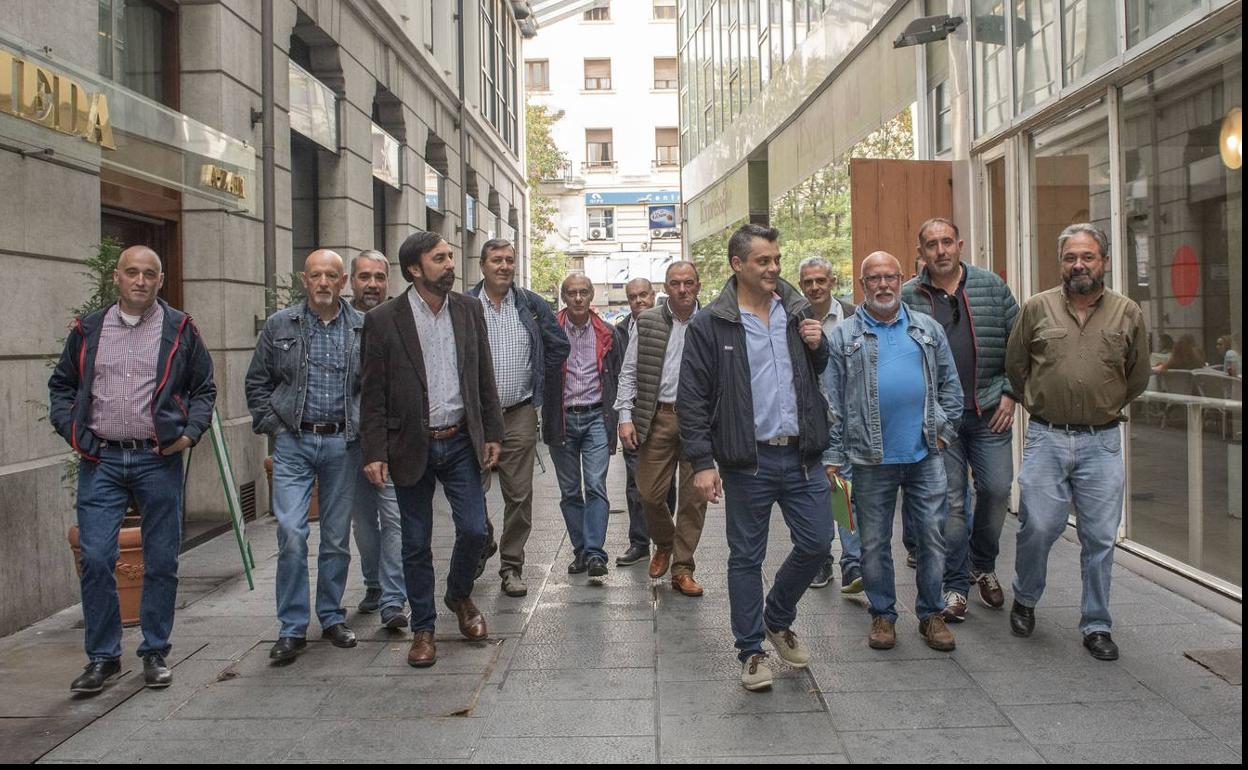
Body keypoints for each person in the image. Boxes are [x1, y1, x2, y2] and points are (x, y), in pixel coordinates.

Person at [49, 246, 216, 693]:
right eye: (132, 273)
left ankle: (155, 650)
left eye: (150, 274)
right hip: (100, 458)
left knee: (161, 559)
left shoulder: (180, 328)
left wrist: (189, 433)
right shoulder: (89, 329)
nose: (140, 281)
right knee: (97, 557)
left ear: (161, 281)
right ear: (116, 278)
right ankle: (103, 658)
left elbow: (204, 388)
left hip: (156, 458)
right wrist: (75, 434)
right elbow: (62, 386)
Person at [678, 223, 832, 692]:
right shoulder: (712, 323)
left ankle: (777, 616)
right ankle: (750, 651)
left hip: (803, 455)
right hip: (749, 461)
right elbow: (692, 398)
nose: (773, 268)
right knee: (746, 556)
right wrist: (703, 463)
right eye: (763, 261)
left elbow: (816, 372)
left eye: (776, 260)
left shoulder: (796, 311)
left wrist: (817, 345)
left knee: (817, 544)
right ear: (737, 265)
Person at [1006, 223, 1150, 662]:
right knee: (1039, 526)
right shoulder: (1036, 308)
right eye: (1071, 257)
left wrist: (1098, 404)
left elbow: (1137, 376)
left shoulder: (1127, 313)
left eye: (1088, 256)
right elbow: (1016, 367)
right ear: (1061, 262)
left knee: (1101, 538)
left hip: (1102, 442)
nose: (1079, 265)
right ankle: (1025, 597)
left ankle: (1097, 624)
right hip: (1047, 438)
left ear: (1103, 261)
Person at [358, 232, 502, 668]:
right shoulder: (384, 320)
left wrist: (492, 431)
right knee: (415, 542)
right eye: (439, 258)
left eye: (450, 257)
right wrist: (374, 451)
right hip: (410, 444)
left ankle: (459, 596)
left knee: (476, 530)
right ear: (415, 269)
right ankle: (423, 627)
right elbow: (373, 394)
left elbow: (483, 375)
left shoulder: (468, 309)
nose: (449, 264)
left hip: (460, 440)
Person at [825, 251, 963, 653]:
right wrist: (834, 456)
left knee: (932, 538)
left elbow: (951, 388)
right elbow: (831, 400)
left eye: (890, 277)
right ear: (862, 284)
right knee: (873, 543)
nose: (883, 285)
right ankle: (883, 615)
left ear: (900, 279)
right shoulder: (843, 336)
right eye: (874, 278)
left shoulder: (927, 329)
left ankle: (931, 614)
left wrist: (942, 432)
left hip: (925, 455)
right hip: (869, 459)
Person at [246, 250, 364, 663]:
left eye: (332, 275)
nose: (324, 283)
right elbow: (257, 383)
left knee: (335, 537)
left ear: (344, 280)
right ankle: (292, 628)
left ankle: (331, 616)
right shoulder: (281, 325)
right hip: (294, 442)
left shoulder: (361, 328)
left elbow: (373, 387)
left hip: (343, 444)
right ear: (304, 279)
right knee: (292, 533)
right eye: (317, 275)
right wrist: (275, 428)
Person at [901, 218, 1020, 622]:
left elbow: (1019, 346)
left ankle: (981, 564)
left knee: (997, 489)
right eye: (931, 244)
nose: (941, 250)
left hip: (990, 413)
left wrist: (1010, 393)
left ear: (960, 244)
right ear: (921, 252)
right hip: (941, 422)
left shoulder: (991, 287)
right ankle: (955, 587)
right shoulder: (909, 297)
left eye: (947, 242)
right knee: (952, 504)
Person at [467, 239, 569, 597]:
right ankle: (483, 537)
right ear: (483, 265)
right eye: (496, 260)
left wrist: (538, 379)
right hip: (474, 419)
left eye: (510, 260)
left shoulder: (530, 304)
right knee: (468, 490)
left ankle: (512, 566)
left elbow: (559, 345)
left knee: (519, 495)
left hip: (519, 414)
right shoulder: (464, 306)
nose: (504, 266)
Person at [616, 262, 706, 596]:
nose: (682, 290)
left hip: (699, 421)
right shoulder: (648, 320)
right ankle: (665, 542)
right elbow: (628, 370)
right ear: (665, 287)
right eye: (675, 283)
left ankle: (683, 568)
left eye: (688, 283)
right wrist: (625, 415)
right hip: (659, 416)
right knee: (648, 492)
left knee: (694, 499)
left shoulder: (712, 321)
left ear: (698, 285)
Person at [543, 275, 625, 582]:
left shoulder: (608, 334)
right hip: (561, 418)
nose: (578, 298)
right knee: (569, 491)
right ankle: (581, 549)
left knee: (595, 485)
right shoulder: (550, 332)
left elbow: (616, 377)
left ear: (592, 296)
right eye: (571, 293)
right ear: (564, 296)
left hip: (595, 418)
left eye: (583, 292)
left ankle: (594, 552)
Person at [346, 251, 407, 628]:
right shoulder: (338, 323)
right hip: (349, 441)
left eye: (379, 277)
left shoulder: (398, 321)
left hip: (390, 438)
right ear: (352, 281)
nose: (372, 284)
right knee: (363, 522)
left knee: (395, 518)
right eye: (365, 277)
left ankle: (393, 598)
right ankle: (373, 583)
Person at [797, 255, 864, 594]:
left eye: (820, 280)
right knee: (819, 493)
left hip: (849, 417)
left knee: (844, 491)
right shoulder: (793, 318)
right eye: (807, 282)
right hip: (811, 421)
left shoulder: (853, 316)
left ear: (832, 282)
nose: (814, 287)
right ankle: (820, 558)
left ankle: (851, 562)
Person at [614, 277, 671, 567]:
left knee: (666, 486)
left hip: (665, 416)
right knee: (637, 485)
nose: (639, 301)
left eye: (644, 294)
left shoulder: (669, 321)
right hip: (636, 418)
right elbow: (620, 374)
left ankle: (666, 540)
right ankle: (640, 543)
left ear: (654, 295)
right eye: (633, 296)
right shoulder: (621, 331)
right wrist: (623, 417)